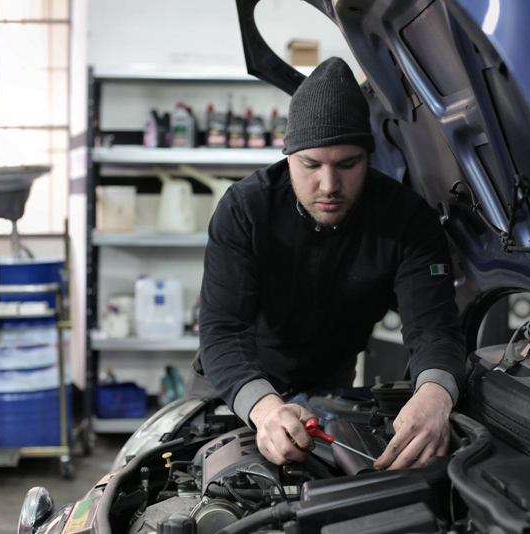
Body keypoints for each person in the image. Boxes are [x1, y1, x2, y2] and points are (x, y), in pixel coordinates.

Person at [196, 57, 466, 471]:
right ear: (287, 157)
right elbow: (222, 332)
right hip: (235, 387)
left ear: (368, 156)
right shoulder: (245, 210)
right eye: (311, 165)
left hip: (330, 391)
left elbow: (433, 327)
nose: (329, 185)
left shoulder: (407, 221)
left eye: (347, 164)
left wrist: (434, 395)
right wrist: (265, 409)